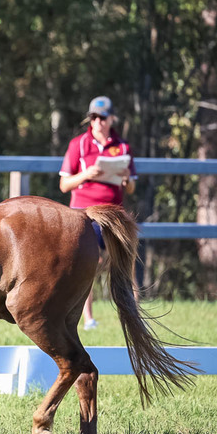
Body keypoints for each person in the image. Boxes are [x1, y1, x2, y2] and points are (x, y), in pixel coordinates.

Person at [59, 96, 137, 330]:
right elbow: (64, 185)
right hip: (84, 213)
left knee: (127, 261)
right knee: (89, 262)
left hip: (114, 213)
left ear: (112, 119)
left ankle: (134, 315)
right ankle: (88, 319)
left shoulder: (122, 147)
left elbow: (132, 186)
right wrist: (87, 175)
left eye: (102, 117)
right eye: (93, 117)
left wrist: (124, 178)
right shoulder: (78, 145)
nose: (97, 122)